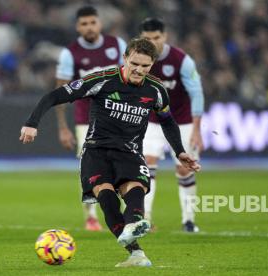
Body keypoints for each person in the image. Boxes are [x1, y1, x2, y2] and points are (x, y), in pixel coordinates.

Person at [20, 38, 201, 267]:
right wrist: (31, 122)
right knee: (106, 198)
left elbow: (167, 121)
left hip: (130, 151)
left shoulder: (156, 89)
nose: (139, 69)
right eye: (134, 63)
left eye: (145, 66)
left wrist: (180, 152)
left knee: (135, 186)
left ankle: (135, 222)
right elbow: (54, 96)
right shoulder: (102, 80)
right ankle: (136, 253)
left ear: (152, 64)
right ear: (125, 58)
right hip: (96, 151)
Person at [54, 6, 127, 232]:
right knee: (90, 167)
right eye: (84, 24)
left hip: (117, 115)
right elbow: (61, 93)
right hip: (86, 118)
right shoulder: (70, 53)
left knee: (123, 163)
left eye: (92, 22)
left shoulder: (118, 46)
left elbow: (131, 79)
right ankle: (91, 217)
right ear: (78, 27)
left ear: (100, 24)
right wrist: (63, 128)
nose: (89, 27)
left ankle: (126, 212)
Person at [139, 18, 204, 233]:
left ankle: (189, 220)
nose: (152, 42)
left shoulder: (181, 60)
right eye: (147, 38)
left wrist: (197, 129)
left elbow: (197, 93)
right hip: (153, 121)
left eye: (156, 37)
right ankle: (145, 218)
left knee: (184, 170)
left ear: (164, 36)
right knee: (146, 166)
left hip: (182, 121)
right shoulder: (139, 59)